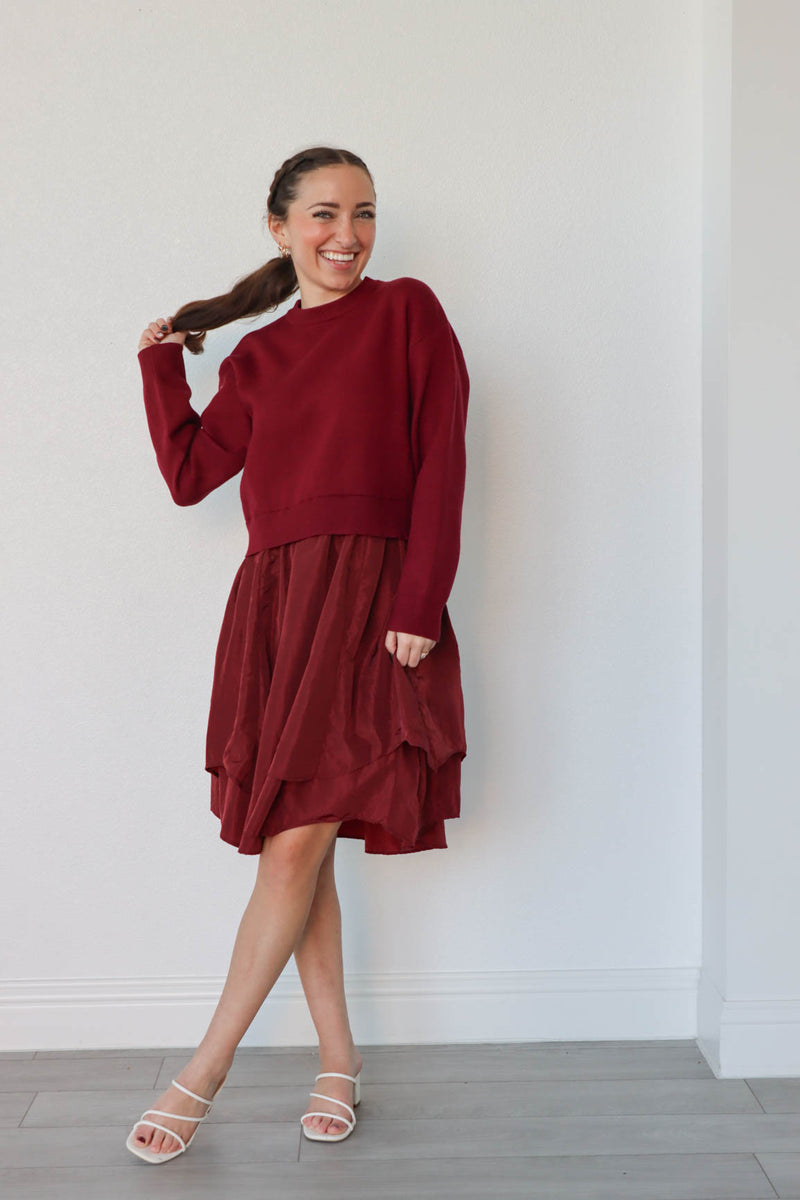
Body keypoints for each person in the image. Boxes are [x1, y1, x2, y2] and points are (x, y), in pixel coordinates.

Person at [126, 145, 469, 1162]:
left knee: (294, 840)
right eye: (322, 214)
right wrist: (158, 365)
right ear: (279, 229)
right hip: (277, 608)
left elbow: (443, 456)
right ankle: (337, 1057)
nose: (347, 235)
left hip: (372, 604)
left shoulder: (408, 310)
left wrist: (421, 597)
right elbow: (192, 474)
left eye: (363, 213)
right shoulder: (257, 359)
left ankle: (204, 1071)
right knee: (298, 837)